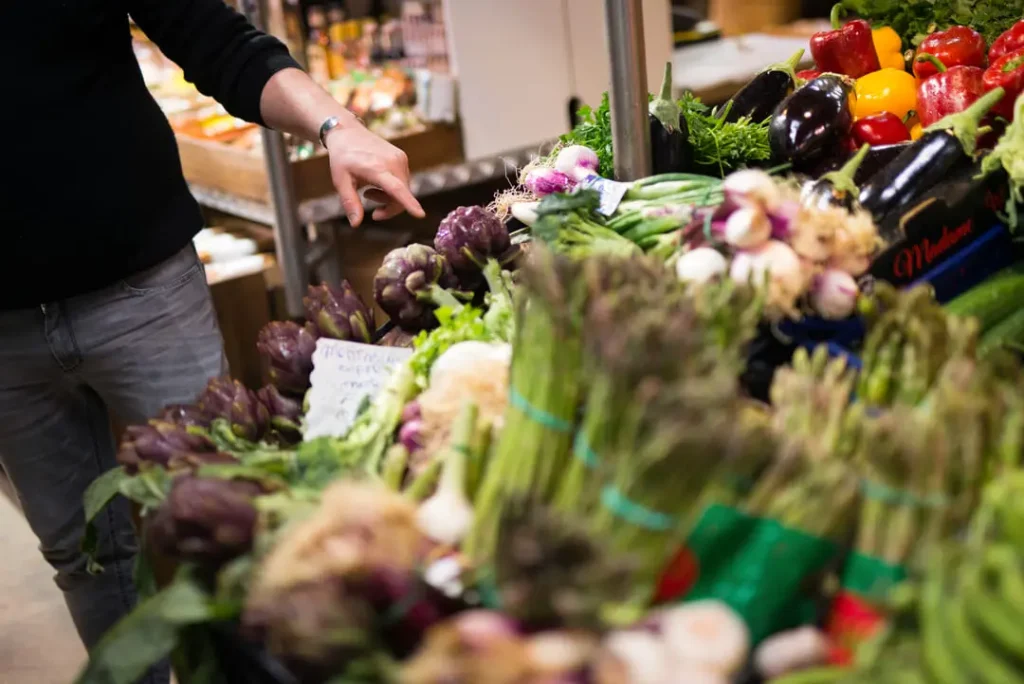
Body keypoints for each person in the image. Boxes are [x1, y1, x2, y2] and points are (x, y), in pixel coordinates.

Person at [0, 1, 424, 681]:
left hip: (142, 288)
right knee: (83, 558)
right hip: (5, 338)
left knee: (238, 521)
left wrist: (337, 127)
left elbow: (212, 36)